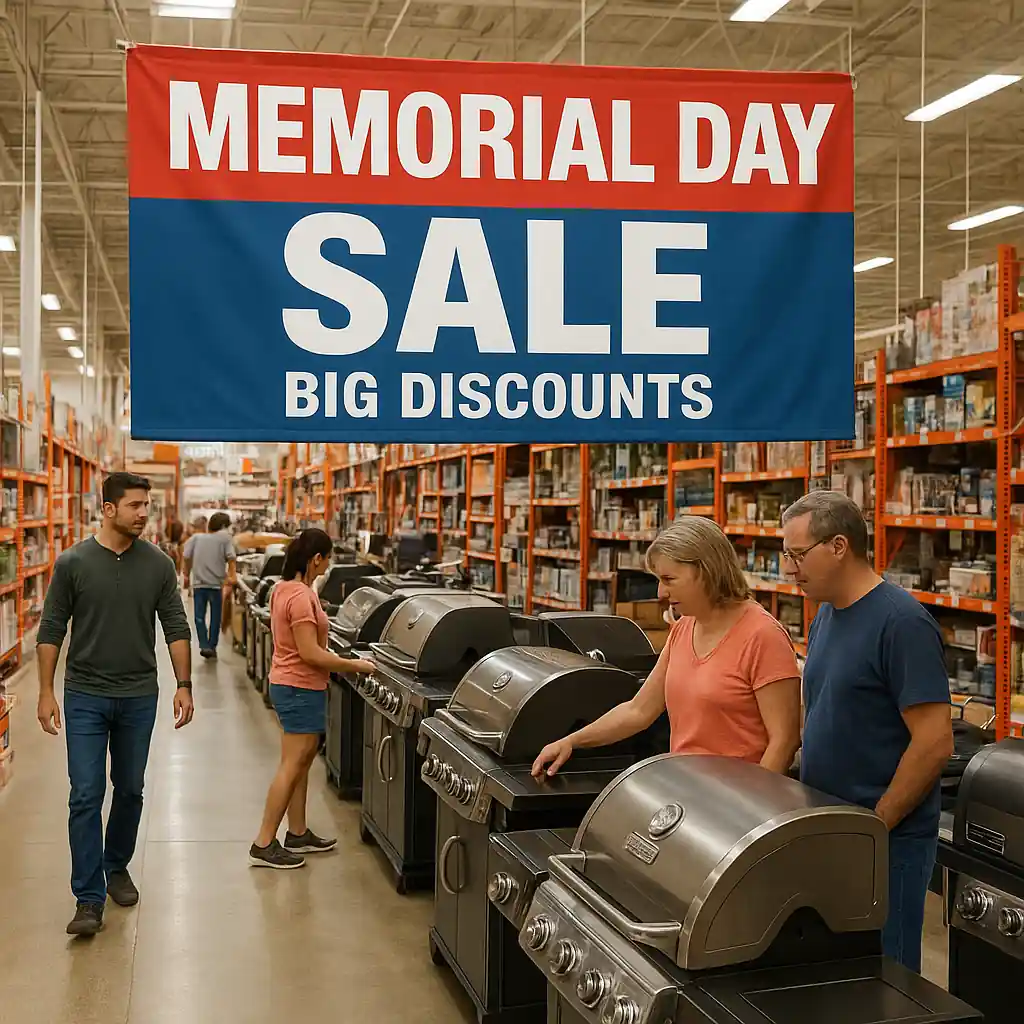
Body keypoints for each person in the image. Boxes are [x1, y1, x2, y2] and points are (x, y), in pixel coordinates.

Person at [781, 490, 953, 973]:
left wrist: (877, 823)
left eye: (798, 554)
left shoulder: (902, 623)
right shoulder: (825, 617)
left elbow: (935, 740)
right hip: (832, 828)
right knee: (839, 970)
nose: (790, 568)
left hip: (885, 840)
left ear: (839, 546)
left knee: (885, 975)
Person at [36, 471, 194, 938]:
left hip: (139, 695)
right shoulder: (73, 563)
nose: (144, 513)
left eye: (147, 505)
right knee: (85, 794)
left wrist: (184, 683)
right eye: (135, 505)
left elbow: (176, 626)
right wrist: (46, 691)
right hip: (84, 694)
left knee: (130, 789)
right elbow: (51, 630)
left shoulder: (159, 565)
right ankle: (88, 897)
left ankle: (116, 865)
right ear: (108, 509)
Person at [532, 515, 801, 778]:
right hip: (688, 793)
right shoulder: (685, 628)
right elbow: (638, 710)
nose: (660, 593)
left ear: (706, 571)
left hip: (736, 806)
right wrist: (571, 741)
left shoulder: (763, 636)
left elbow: (784, 741)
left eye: (669, 580)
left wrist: (751, 810)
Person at [250, 528, 374, 869]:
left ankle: (298, 831)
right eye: (327, 557)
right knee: (292, 765)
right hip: (299, 686)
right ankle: (264, 841)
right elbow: (311, 654)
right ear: (315, 559)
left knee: (301, 762)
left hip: (291, 683)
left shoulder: (284, 588)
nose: (329, 564)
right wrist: (355, 665)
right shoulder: (302, 597)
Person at [183, 510, 236, 659]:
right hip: (216, 585)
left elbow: (186, 556)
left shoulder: (196, 538)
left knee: (199, 617)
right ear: (224, 525)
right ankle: (211, 646)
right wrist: (233, 575)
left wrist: (186, 574)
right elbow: (231, 558)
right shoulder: (225, 539)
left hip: (199, 584)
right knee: (215, 617)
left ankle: (204, 645)